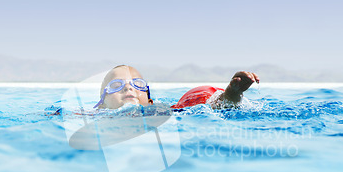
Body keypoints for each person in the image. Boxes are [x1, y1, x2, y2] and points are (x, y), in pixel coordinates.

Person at [95, 65, 259, 110]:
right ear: (101, 104)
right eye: (116, 85)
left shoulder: (155, 112)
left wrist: (232, 94)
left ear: (149, 101)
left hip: (202, 96)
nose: (128, 88)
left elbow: (210, 107)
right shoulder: (91, 117)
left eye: (137, 84)